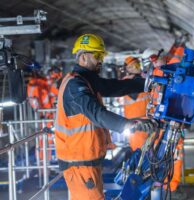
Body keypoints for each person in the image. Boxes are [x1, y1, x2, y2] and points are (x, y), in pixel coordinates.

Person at [54, 33, 157, 200]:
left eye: (101, 55)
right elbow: (97, 114)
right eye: (97, 55)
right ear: (83, 56)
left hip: (87, 162)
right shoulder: (75, 85)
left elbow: (116, 87)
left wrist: (147, 83)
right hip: (79, 165)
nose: (100, 60)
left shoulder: (86, 80)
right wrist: (131, 124)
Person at [141, 48, 187, 199]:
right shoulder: (157, 72)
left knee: (175, 154)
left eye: (155, 59)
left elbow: (183, 94)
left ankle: (173, 187)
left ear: (162, 55)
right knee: (158, 156)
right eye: (151, 62)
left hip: (174, 120)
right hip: (161, 122)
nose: (154, 63)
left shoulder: (176, 67)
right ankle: (159, 186)